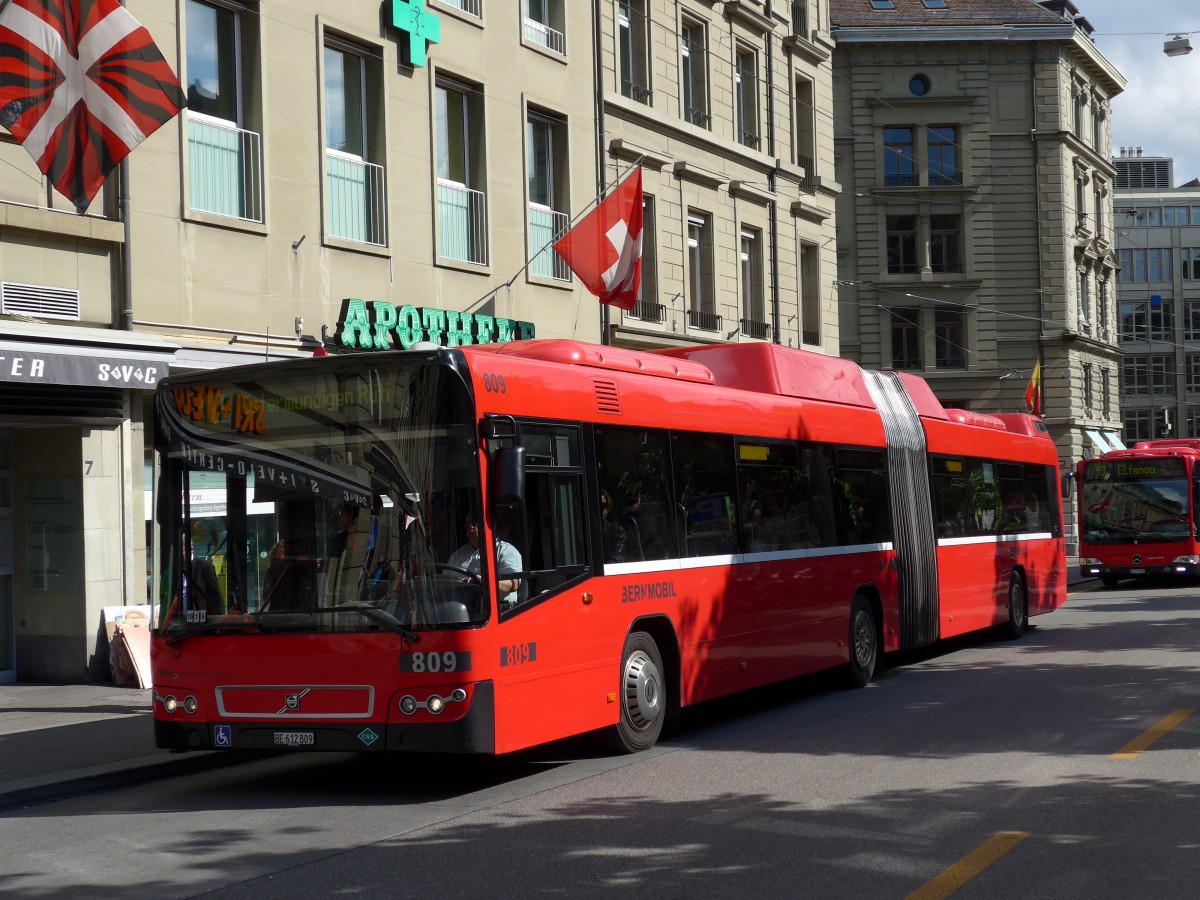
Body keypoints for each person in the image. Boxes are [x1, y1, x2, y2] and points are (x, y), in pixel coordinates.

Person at [447, 510, 522, 607]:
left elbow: (513, 583)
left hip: (498, 610)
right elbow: (446, 581)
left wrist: (485, 582)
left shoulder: (506, 550)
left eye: (475, 523)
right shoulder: (457, 555)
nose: (471, 527)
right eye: (468, 524)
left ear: (490, 525)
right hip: (461, 610)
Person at [599, 489, 626, 563]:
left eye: (602, 505)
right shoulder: (580, 529)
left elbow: (617, 556)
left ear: (607, 508)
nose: (599, 508)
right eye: (596, 505)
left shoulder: (617, 530)